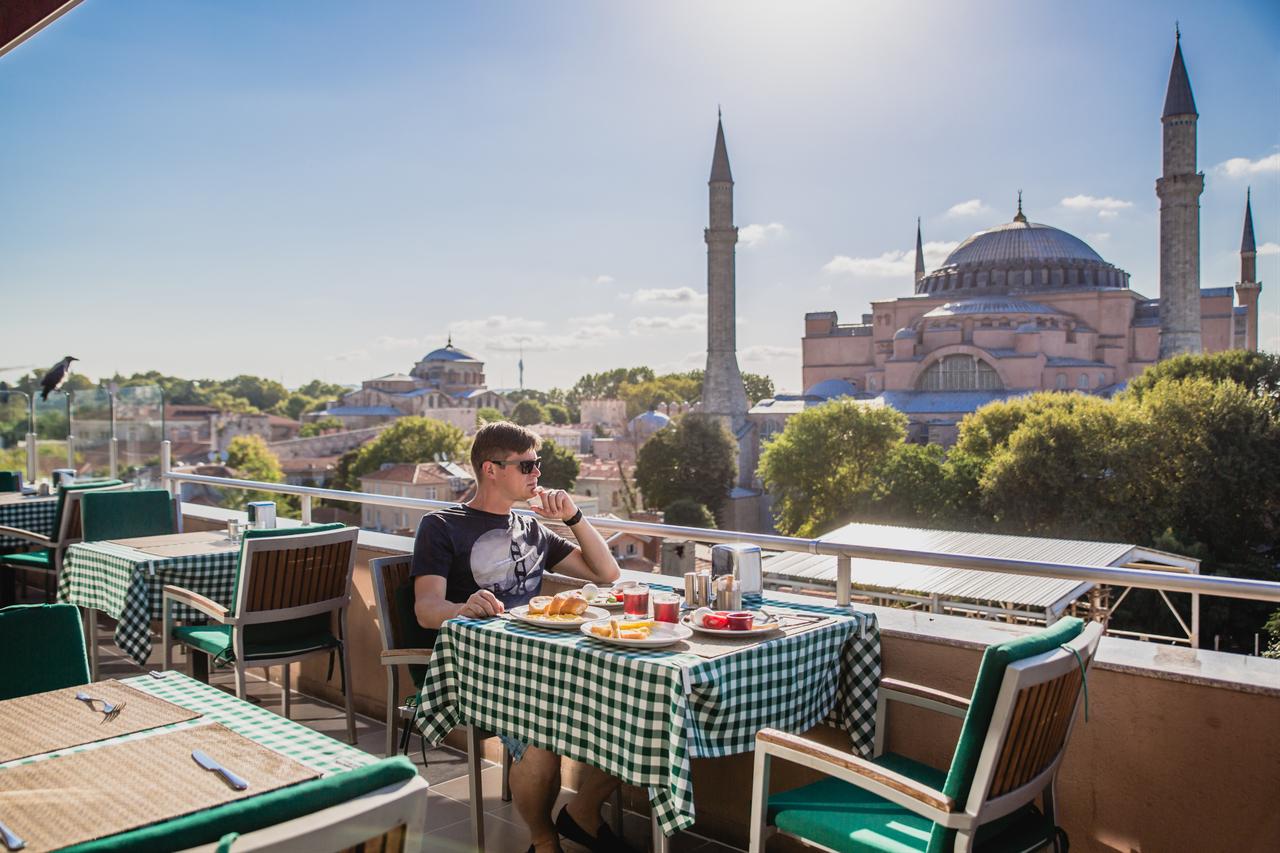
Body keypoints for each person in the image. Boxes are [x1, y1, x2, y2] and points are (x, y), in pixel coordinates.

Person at [413, 421, 635, 853]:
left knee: (629, 709)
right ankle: (544, 839)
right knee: (540, 740)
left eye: (538, 464)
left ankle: (582, 813)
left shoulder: (531, 529)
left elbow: (607, 574)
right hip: (481, 668)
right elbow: (425, 610)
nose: (537, 474)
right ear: (490, 469)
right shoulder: (441, 525)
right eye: (527, 465)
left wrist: (572, 517)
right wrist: (463, 608)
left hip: (540, 661)